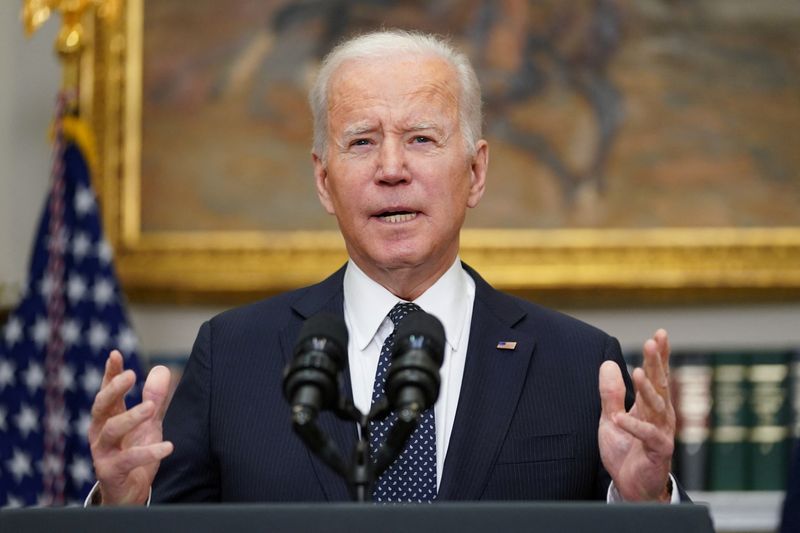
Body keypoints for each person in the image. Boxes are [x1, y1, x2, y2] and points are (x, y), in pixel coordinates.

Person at [87, 29, 682, 504]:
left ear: (475, 173)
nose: (392, 168)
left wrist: (644, 505)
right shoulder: (233, 354)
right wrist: (122, 509)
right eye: (363, 142)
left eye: (422, 139)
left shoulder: (577, 363)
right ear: (324, 181)